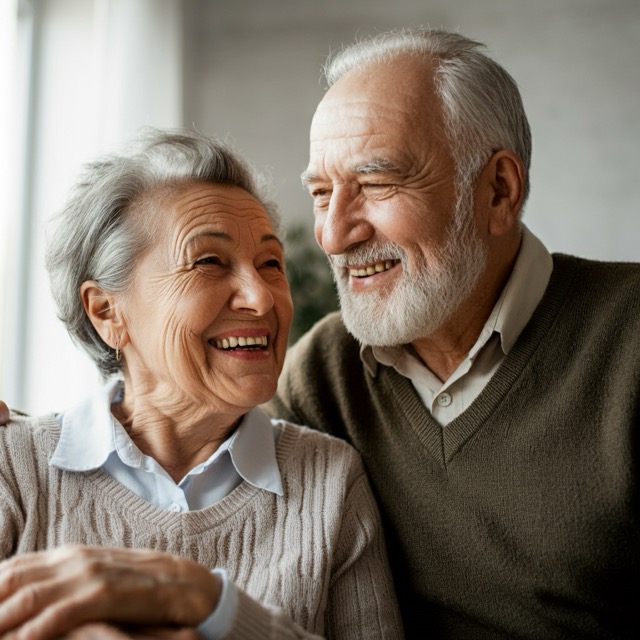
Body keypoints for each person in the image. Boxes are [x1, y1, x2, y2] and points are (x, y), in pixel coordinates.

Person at [264, 28, 640, 639]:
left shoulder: (630, 337)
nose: (334, 236)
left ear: (498, 191)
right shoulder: (322, 376)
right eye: (321, 193)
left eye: (378, 183)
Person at [0, 130, 403, 639]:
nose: (261, 298)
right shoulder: (13, 469)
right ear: (107, 312)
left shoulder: (329, 482)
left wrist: (220, 610)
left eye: (270, 263)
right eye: (209, 262)